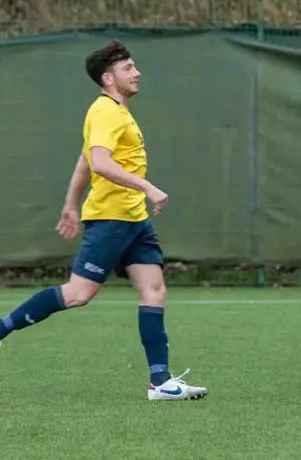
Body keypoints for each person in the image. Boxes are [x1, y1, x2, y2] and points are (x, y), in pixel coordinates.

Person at [0, 41, 208, 401]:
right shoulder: (106, 112)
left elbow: (84, 161)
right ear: (108, 78)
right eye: (128, 68)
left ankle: (161, 383)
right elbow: (100, 164)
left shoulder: (119, 112)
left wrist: (70, 204)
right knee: (78, 294)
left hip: (134, 220)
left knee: (154, 290)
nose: (137, 72)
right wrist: (147, 186)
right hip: (112, 219)